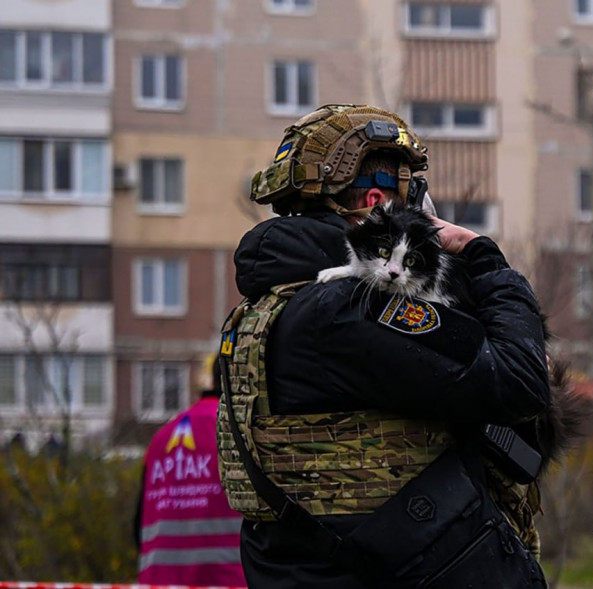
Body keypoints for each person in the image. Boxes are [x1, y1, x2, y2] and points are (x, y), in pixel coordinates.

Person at [218, 104, 550, 587]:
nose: (426, 210)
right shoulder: (357, 306)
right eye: (415, 194)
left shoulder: (264, 309)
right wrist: (485, 260)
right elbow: (521, 383)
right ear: (378, 201)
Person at [136, 354, 246, 586]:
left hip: (159, 582)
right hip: (228, 580)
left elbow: (138, 527)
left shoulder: (160, 440)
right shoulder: (241, 433)